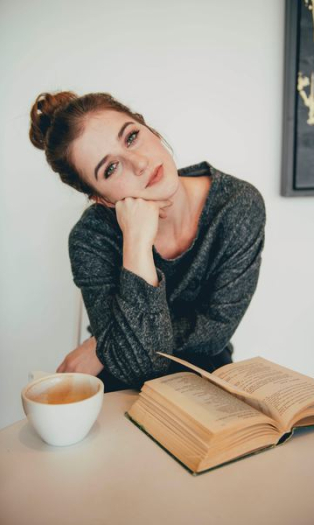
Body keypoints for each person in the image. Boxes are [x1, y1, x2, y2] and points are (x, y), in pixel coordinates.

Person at [29, 91, 266, 393]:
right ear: (101, 199)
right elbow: (136, 365)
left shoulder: (236, 206)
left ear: (149, 129)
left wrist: (105, 342)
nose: (138, 163)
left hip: (205, 376)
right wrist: (136, 242)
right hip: (122, 384)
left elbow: (216, 332)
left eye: (131, 137)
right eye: (111, 168)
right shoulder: (91, 238)